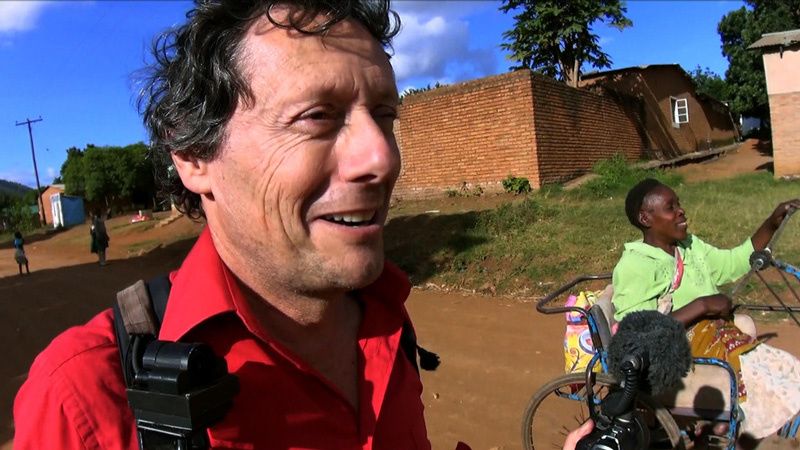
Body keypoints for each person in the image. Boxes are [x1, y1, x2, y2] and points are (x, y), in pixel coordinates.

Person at [12, 1, 437, 449]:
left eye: (385, 115)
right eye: (317, 116)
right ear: (194, 156)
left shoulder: (388, 315)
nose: (382, 158)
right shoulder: (83, 396)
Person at [612, 178, 800, 442]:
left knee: (784, 370)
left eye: (679, 204)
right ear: (646, 218)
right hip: (676, 357)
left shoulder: (689, 246)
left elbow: (733, 262)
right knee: (771, 378)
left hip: (711, 339)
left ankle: (735, 424)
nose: (681, 211)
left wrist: (772, 223)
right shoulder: (635, 266)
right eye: (670, 207)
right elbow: (639, 332)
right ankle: (742, 427)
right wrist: (704, 305)